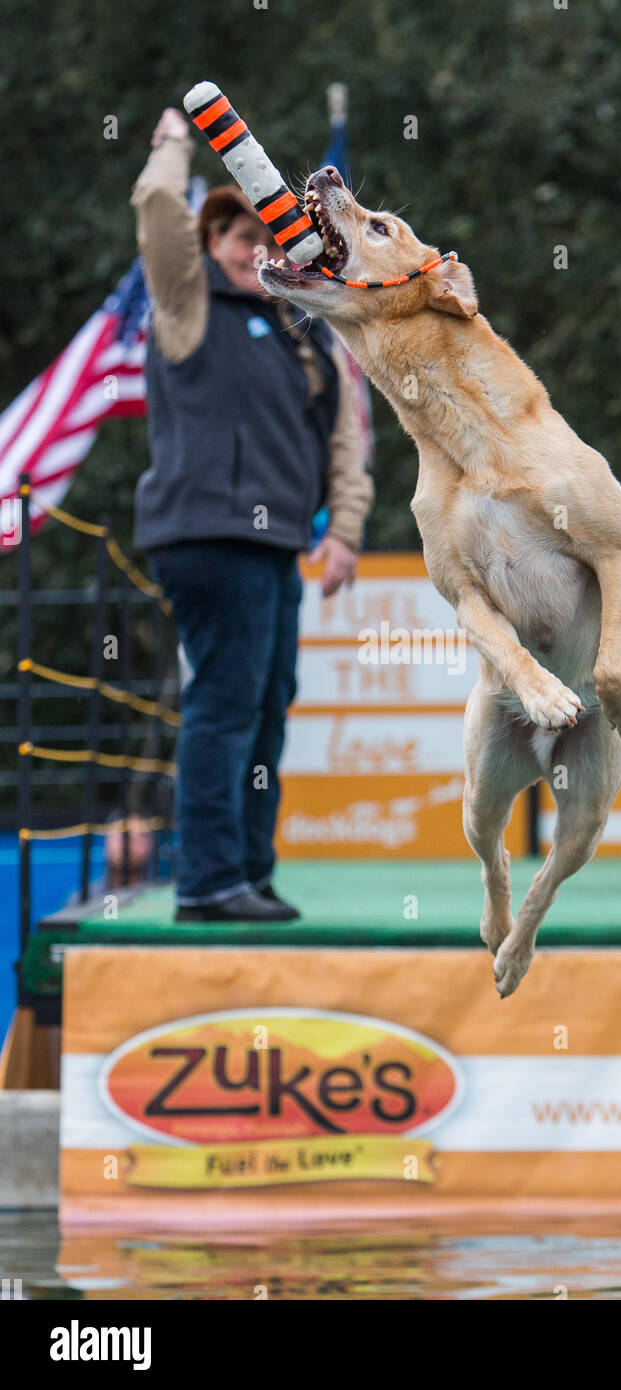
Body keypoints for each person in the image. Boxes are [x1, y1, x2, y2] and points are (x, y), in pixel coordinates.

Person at [130, 108, 373, 922]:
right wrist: (173, 144)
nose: (254, 250)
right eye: (237, 238)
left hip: (271, 544)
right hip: (207, 532)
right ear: (212, 248)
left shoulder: (303, 333)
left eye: (263, 240)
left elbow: (344, 440)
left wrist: (343, 530)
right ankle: (206, 883)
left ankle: (248, 872)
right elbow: (159, 214)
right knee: (228, 704)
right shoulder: (186, 304)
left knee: (267, 706)